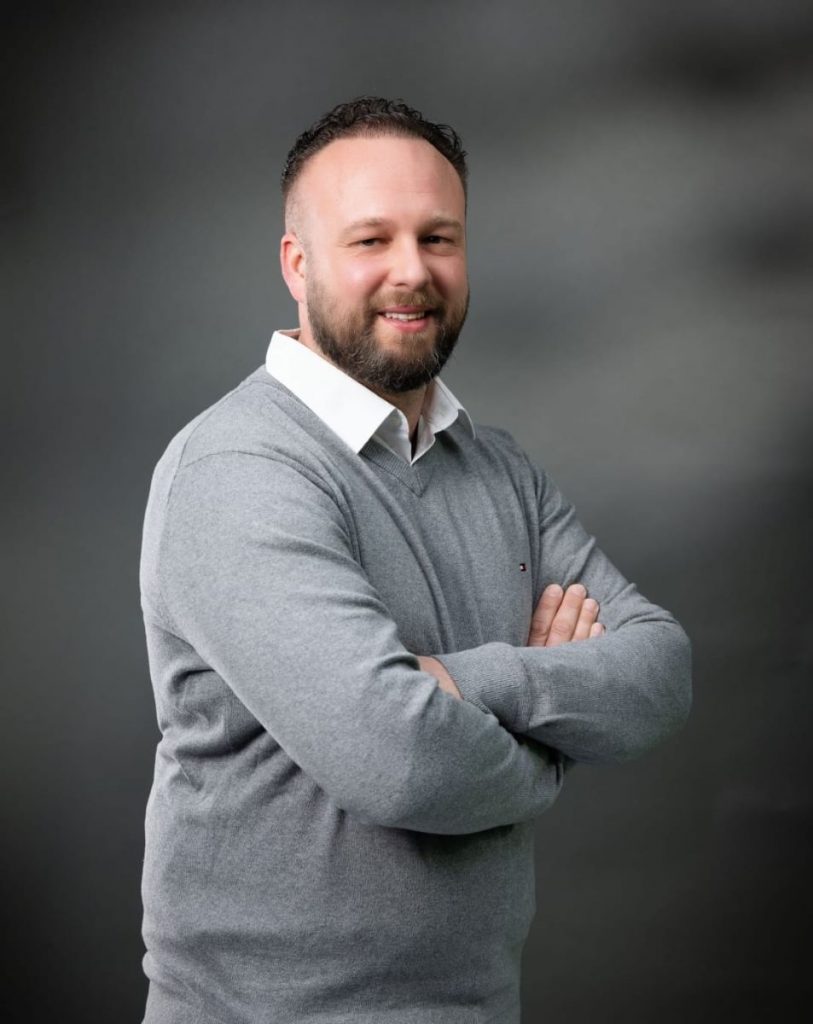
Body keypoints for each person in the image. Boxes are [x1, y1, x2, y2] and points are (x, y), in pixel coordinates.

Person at [139, 96, 691, 1023]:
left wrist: (471, 684)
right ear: (297, 263)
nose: (412, 271)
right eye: (371, 240)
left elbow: (661, 674)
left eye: (438, 238)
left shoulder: (501, 470)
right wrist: (551, 751)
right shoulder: (238, 470)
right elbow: (399, 761)